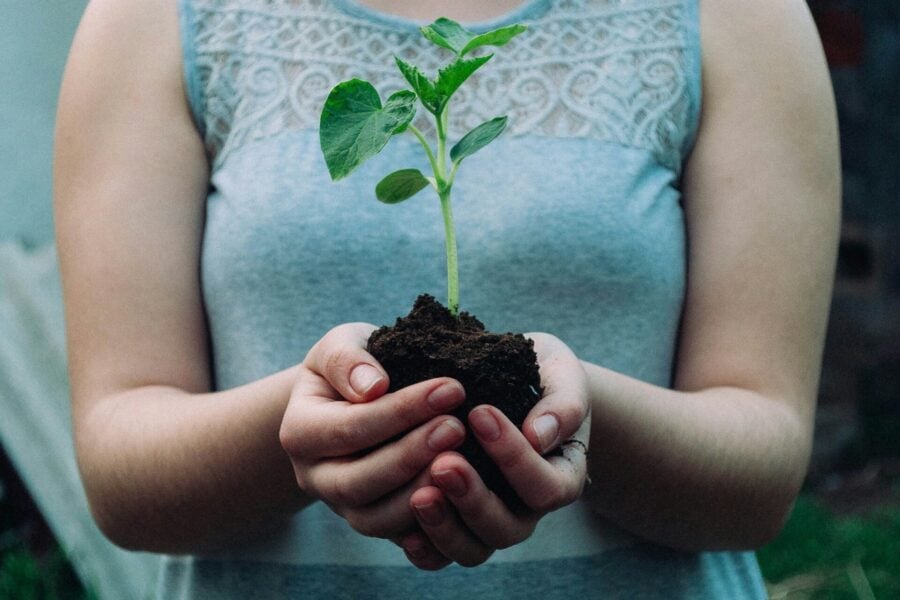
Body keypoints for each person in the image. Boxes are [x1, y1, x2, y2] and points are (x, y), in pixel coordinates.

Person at [54, 0, 840, 597]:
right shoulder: (154, 17)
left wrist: (583, 415)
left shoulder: (740, 16)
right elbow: (122, 478)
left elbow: (761, 475)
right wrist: (300, 430)